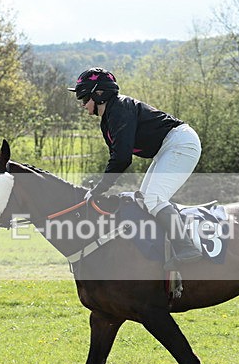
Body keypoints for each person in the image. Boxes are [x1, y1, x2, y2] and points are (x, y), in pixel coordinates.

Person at [68, 67, 202, 269]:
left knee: (154, 199)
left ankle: (187, 249)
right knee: (144, 198)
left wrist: (99, 189)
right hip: (169, 146)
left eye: (84, 98)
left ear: (99, 94)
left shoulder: (119, 110)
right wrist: (100, 187)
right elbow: (117, 158)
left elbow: (122, 159)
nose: (83, 105)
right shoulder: (110, 117)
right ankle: (163, 248)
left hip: (181, 143)